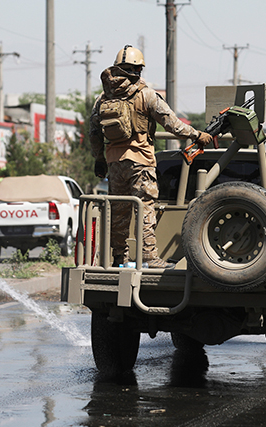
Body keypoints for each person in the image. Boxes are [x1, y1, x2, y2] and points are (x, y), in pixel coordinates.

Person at [90, 45, 213, 269]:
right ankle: (149, 257)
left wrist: (100, 159)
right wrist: (197, 135)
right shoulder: (145, 94)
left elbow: (94, 132)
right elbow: (172, 123)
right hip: (141, 161)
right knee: (145, 208)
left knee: (119, 211)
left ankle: (119, 258)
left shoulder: (102, 98)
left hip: (114, 162)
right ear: (138, 70)